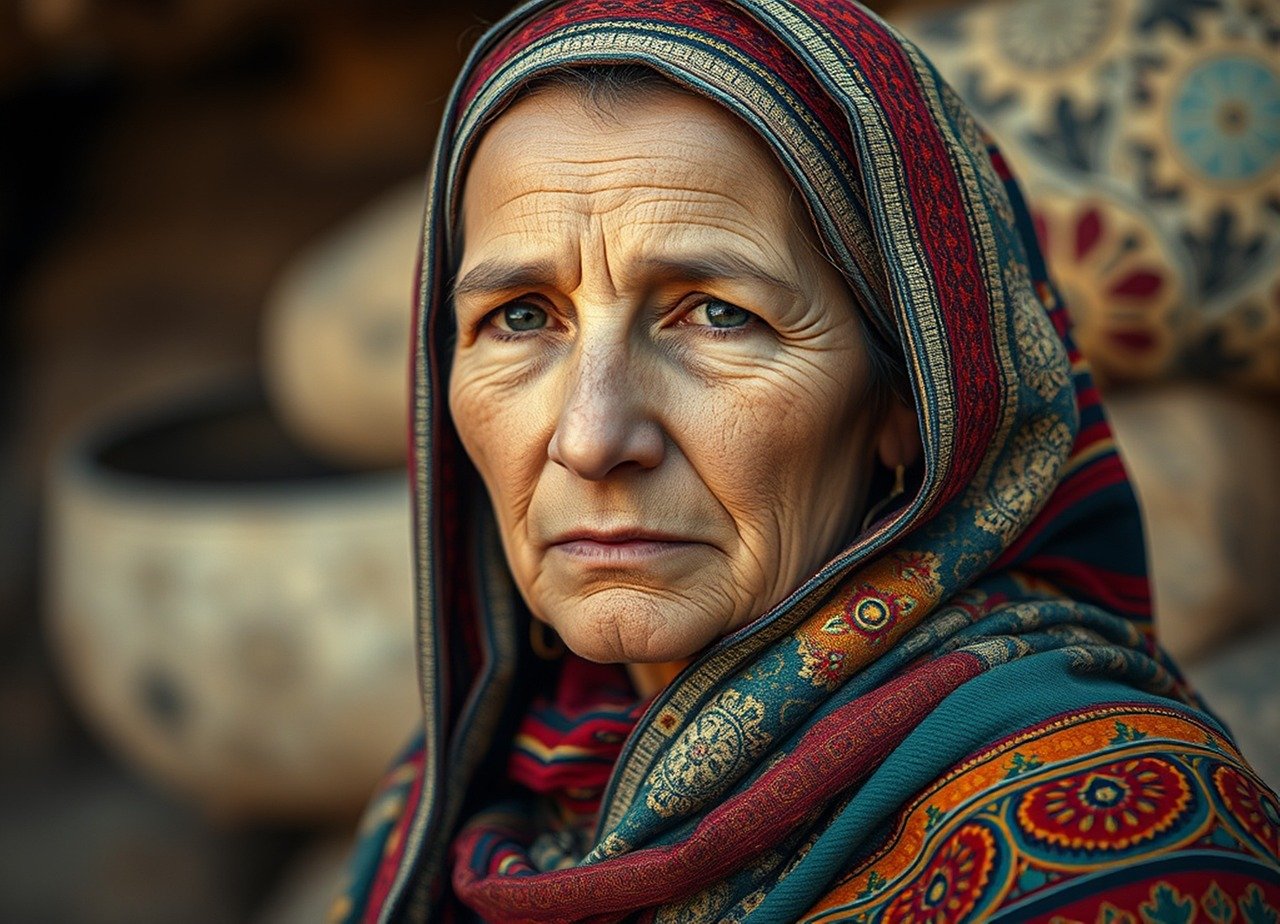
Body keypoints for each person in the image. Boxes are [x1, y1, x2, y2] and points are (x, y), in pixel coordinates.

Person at [333, 1, 1280, 920]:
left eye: (716, 314)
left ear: (914, 399)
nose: (591, 437)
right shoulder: (473, 789)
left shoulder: (1118, 837)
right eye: (522, 318)